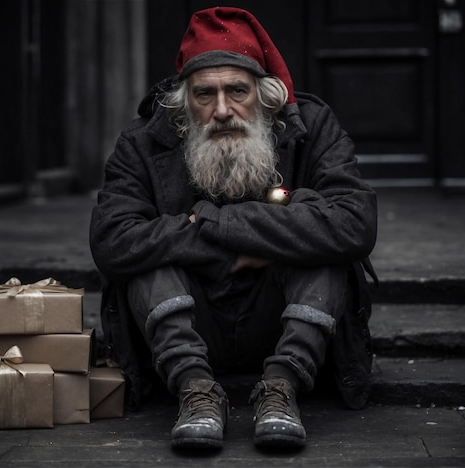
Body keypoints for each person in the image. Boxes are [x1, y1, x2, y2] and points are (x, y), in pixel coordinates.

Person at [90, 6, 377, 450]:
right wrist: (265, 237)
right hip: (188, 322)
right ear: (184, 103)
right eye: (205, 95)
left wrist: (208, 223)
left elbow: (355, 224)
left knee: (326, 253)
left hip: (278, 315)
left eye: (237, 91)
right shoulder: (141, 141)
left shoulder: (314, 127)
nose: (223, 110)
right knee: (145, 261)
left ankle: (282, 386)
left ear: (264, 95)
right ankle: (196, 391)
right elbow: (112, 240)